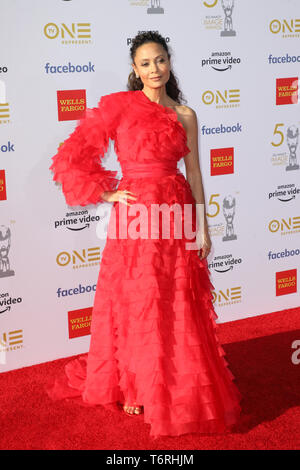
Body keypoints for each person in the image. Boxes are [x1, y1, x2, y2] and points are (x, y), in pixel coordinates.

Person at [48, 31, 242, 439]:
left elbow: (195, 174)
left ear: (169, 63)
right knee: (137, 300)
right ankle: (134, 383)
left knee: (173, 298)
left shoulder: (185, 114)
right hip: (135, 218)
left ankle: (170, 379)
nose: (155, 69)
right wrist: (106, 191)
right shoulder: (119, 107)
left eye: (160, 60)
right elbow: (72, 156)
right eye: (146, 63)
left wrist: (202, 227)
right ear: (135, 71)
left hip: (174, 214)